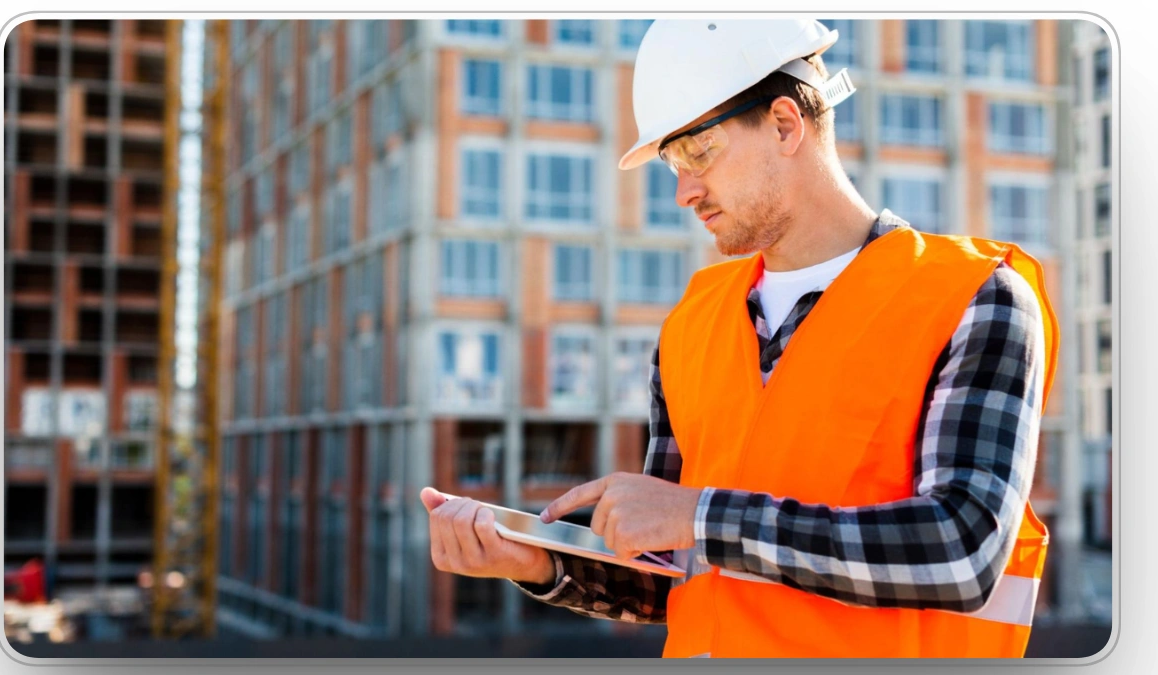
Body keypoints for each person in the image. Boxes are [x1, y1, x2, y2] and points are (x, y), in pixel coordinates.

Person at [420, 18, 1058, 658]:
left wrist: (700, 514)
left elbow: (963, 550)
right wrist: (537, 563)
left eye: (698, 151)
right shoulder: (691, 326)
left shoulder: (974, 298)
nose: (683, 191)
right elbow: (675, 573)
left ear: (785, 124)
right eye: (672, 160)